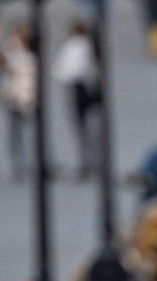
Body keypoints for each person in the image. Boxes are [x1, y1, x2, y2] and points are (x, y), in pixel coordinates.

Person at [50, 21, 98, 182]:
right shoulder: (86, 45)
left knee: (81, 126)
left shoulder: (74, 46)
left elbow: (60, 70)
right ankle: (89, 160)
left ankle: (86, 161)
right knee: (87, 127)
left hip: (78, 88)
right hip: (83, 87)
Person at [0, 20, 37, 182]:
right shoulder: (12, 50)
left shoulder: (31, 52)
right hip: (13, 97)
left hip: (28, 97)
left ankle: (31, 163)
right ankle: (18, 165)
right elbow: (5, 63)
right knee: (15, 134)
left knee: (30, 133)